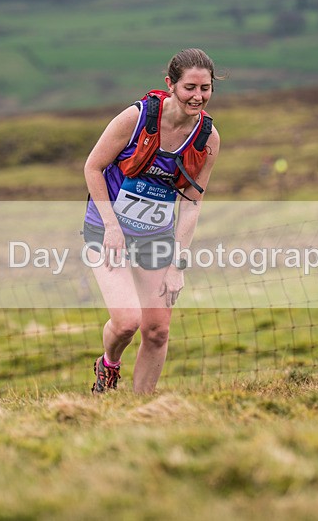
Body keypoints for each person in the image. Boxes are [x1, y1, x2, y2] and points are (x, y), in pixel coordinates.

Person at [82, 48, 221, 394]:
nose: (198, 96)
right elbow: (93, 167)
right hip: (107, 230)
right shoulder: (137, 118)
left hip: (154, 237)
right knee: (128, 321)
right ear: (170, 84)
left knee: (157, 330)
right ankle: (108, 366)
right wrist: (112, 226)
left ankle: (141, 406)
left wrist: (178, 264)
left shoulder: (208, 138)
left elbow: (191, 203)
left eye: (205, 88)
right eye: (190, 87)